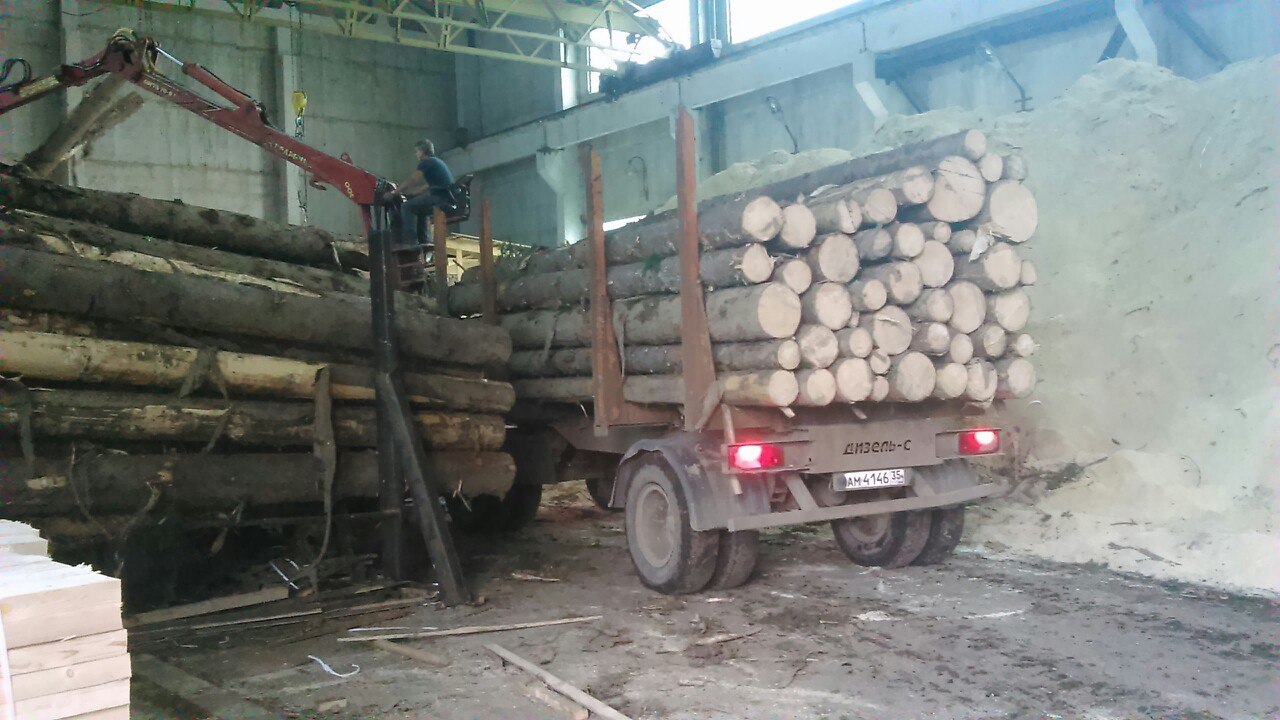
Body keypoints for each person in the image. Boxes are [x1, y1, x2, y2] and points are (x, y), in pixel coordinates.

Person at [396, 138, 454, 244]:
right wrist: (412, 194)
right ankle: (424, 242)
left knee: (406, 207)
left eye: (417, 151)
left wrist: (395, 192)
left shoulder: (427, 162)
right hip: (447, 199)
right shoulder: (436, 162)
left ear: (422, 152)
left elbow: (412, 180)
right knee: (420, 208)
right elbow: (427, 186)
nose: (416, 154)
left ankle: (411, 243)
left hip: (440, 199)